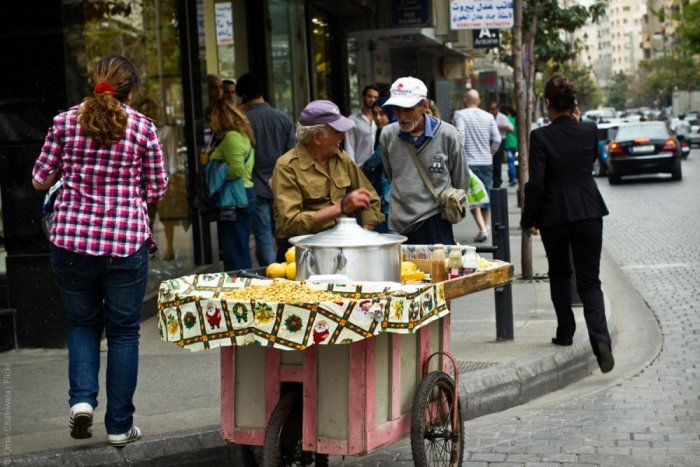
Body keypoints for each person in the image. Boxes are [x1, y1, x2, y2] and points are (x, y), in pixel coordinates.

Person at [31, 55, 169, 446]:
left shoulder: (63, 122)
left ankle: (81, 403)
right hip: (125, 245)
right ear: (132, 90)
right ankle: (119, 426)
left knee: (82, 325)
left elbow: (40, 179)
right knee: (124, 333)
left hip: (72, 242)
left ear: (94, 82)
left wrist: (73, 173)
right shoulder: (143, 128)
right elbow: (158, 188)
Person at [520, 75, 614, 374]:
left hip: (554, 216)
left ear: (547, 103)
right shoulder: (589, 130)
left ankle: (565, 332)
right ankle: (600, 339)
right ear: (575, 104)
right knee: (590, 281)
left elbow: (536, 184)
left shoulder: (540, 137)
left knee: (560, 274)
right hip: (589, 211)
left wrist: (528, 219)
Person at [270, 100, 384, 239]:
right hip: (301, 248)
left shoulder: (342, 158)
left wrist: (365, 233)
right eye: (337, 132)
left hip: (341, 241)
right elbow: (290, 223)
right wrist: (340, 208)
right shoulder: (287, 166)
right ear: (317, 137)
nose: (343, 136)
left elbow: (370, 197)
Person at [380, 77, 469, 245]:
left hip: (435, 221)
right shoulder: (387, 135)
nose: (402, 116)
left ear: (424, 106)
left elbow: (461, 181)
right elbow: (391, 173)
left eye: (408, 109)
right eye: (397, 109)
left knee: (437, 270)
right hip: (398, 223)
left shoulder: (448, 134)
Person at [235, 73, 296, 265]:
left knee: (263, 236)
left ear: (243, 95)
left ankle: (270, 276)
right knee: (283, 234)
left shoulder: (243, 121)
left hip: (255, 186)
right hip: (282, 186)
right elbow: (293, 154)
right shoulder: (283, 119)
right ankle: (286, 270)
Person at [208, 99, 257, 271]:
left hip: (235, 199)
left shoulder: (231, 138)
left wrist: (216, 178)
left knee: (234, 250)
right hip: (242, 196)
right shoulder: (241, 136)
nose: (210, 124)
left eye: (212, 119)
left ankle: (239, 287)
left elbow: (236, 169)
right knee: (239, 246)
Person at [453, 90, 501, 243]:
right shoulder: (488, 116)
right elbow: (497, 139)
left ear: (465, 100)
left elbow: (460, 136)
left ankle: (482, 228)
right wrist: (490, 154)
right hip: (486, 162)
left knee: (474, 197)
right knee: (484, 196)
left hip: (469, 162)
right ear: (479, 101)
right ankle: (484, 227)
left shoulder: (460, 114)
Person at [361, 96, 394, 233]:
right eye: (375, 114)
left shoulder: (392, 133)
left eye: (382, 113)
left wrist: (359, 169)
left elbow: (374, 161)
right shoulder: (382, 132)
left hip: (391, 194)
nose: (378, 118)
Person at [344, 84, 380, 166]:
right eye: (369, 96)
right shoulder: (352, 120)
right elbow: (349, 147)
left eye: (375, 97)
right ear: (363, 97)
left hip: (380, 169)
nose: (372, 100)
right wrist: (354, 170)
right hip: (361, 168)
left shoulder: (381, 119)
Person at [488, 101, 514, 189]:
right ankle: (492, 179)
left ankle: (497, 181)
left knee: (497, 162)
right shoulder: (488, 116)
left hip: (500, 141)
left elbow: (511, 128)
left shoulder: (503, 117)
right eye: (490, 109)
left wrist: (501, 127)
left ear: (497, 109)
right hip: (489, 140)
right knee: (489, 162)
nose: (491, 111)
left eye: (493, 109)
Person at [503, 105, 519, 186]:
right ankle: (513, 177)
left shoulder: (506, 120)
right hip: (516, 143)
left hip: (509, 144)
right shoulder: (515, 120)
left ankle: (513, 178)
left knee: (510, 162)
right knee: (514, 161)